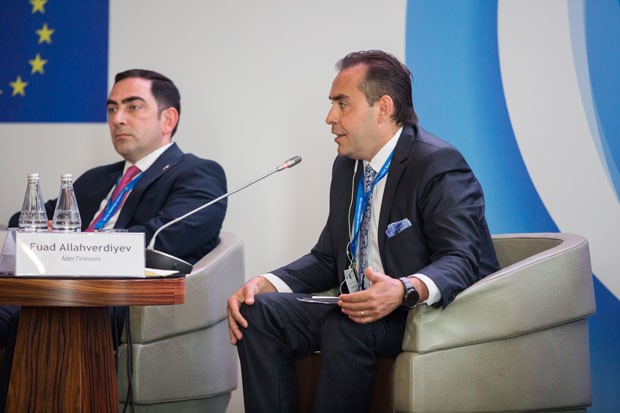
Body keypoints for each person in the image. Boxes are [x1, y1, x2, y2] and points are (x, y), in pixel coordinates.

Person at [226, 50, 500, 413]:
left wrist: (403, 288)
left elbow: (461, 259)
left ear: (383, 108)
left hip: (423, 311)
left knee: (346, 323)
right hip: (360, 309)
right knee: (258, 312)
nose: (330, 118)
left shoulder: (435, 163)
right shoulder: (347, 166)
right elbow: (329, 258)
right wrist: (268, 282)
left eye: (342, 104)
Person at [1, 69, 227, 408]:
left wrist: (72, 245)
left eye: (133, 107)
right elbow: (24, 221)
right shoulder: (97, 179)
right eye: (111, 108)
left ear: (168, 119)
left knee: (37, 322)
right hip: (57, 292)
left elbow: (162, 240)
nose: (117, 119)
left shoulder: (197, 174)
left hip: (120, 301)